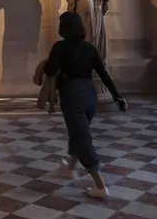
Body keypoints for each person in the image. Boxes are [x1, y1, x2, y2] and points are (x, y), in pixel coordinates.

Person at [44, 11, 127, 199]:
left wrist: (51, 64)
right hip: (90, 94)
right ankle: (70, 168)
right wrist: (117, 96)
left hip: (71, 93)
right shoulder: (89, 48)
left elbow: (50, 70)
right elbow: (103, 74)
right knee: (78, 131)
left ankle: (100, 186)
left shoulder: (59, 47)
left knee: (82, 138)